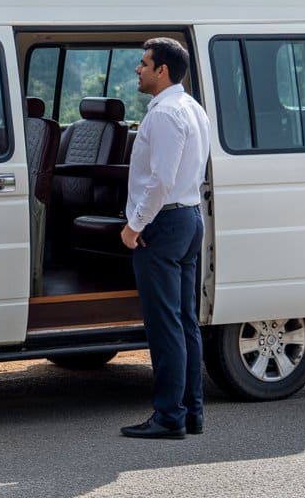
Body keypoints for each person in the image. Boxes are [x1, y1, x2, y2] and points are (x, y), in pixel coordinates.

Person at [119, 37, 212, 440]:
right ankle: (191, 413)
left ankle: (170, 416)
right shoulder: (193, 108)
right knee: (186, 321)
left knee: (165, 325)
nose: (138, 69)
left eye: (144, 63)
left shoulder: (164, 114)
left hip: (165, 223)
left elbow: (160, 180)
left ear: (163, 71)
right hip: (189, 218)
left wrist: (134, 226)